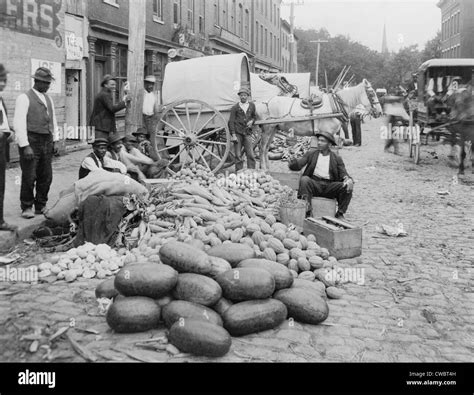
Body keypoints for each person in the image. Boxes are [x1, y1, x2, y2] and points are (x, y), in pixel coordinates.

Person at [13, 67, 59, 219]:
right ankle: (26, 206)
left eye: (48, 83)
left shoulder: (48, 99)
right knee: (29, 175)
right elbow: (19, 124)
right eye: (45, 83)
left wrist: (55, 140)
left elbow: (53, 121)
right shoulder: (24, 98)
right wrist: (25, 146)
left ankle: (40, 204)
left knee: (46, 175)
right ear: (37, 81)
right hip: (31, 140)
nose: (47, 86)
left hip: (46, 139)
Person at [288, 131, 354, 220]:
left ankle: (340, 213)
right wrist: (293, 162)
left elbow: (343, 173)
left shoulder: (336, 158)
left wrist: (347, 179)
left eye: (323, 141)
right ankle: (307, 210)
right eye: (318, 140)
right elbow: (298, 166)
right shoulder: (311, 154)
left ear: (329, 144)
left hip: (329, 186)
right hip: (314, 184)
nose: (319, 143)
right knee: (304, 180)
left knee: (347, 186)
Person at [0, 64, 17, 231]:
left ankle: (0, 221)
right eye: (0, 80)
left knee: (1, 186)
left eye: (4, 80)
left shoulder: (0, 98)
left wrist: (9, 130)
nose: (2, 83)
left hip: (2, 146)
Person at [89, 75, 131, 140]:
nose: (114, 86)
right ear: (105, 85)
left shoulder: (105, 94)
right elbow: (112, 108)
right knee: (101, 146)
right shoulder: (104, 95)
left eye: (114, 84)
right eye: (112, 84)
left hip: (102, 127)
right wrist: (124, 102)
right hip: (101, 127)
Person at [228, 87, 257, 172]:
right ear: (239, 96)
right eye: (241, 95)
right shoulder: (235, 107)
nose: (243, 97)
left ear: (247, 96)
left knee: (250, 154)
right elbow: (231, 121)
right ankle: (239, 172)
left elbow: (254, 116)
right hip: (237, 133)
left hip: (247, 133)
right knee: (238, 155)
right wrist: (233, 135)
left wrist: (252, 121)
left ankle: (251, 172)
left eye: (245, 95)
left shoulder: (252, 105)